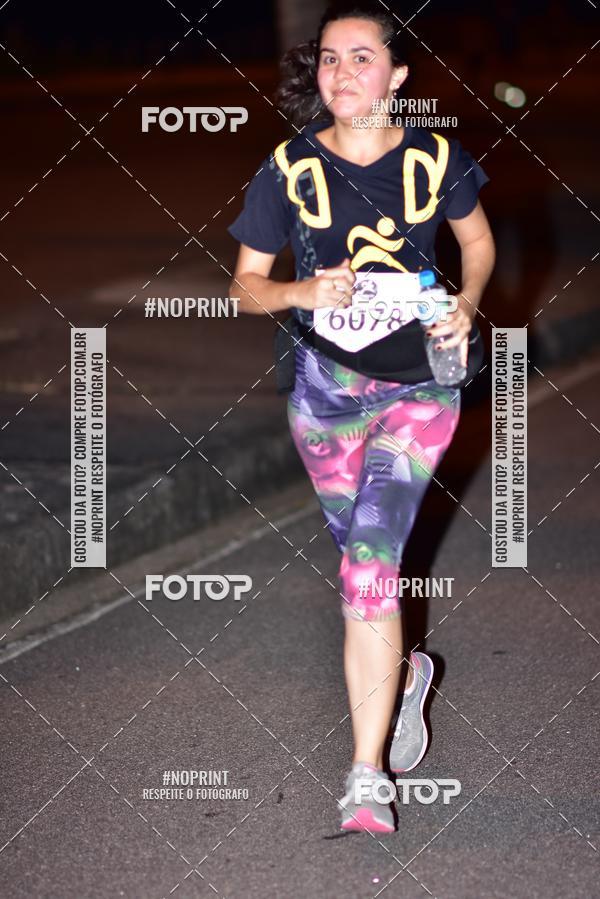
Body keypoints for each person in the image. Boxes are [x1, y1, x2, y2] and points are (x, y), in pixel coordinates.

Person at [227, 0, 495, 834]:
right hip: (325, 395)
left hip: (420, 388)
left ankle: (365, 777)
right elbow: (244, 287)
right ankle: (406, 672)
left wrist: (467, 303)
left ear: (397, 75)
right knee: (361, 564)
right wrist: (301, 290)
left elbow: (477, 244)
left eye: (362, 57)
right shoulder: (288, 168)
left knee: (371, 564)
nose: (342, 73)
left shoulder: (435, 158)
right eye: (330, 59)